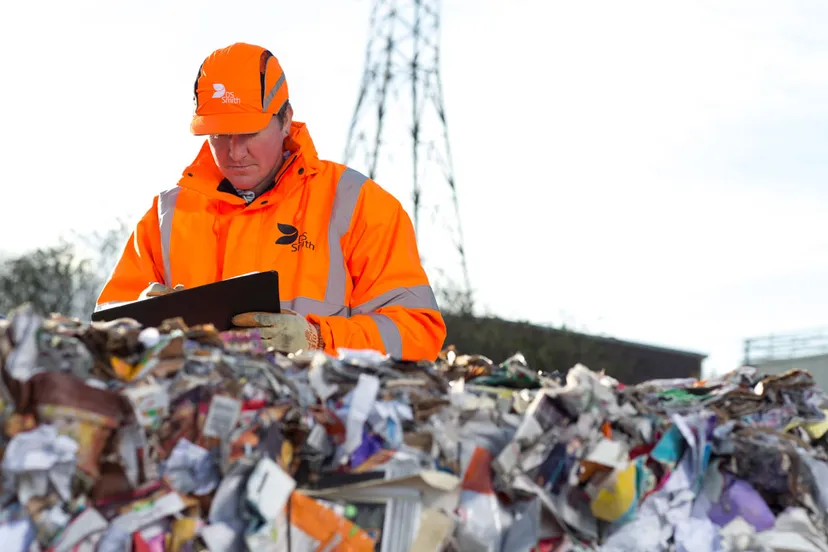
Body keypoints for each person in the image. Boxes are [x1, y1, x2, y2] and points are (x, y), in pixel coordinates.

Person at [96, 42, 446, 361]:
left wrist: (319, 339)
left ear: (286, 119)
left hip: (317, 421)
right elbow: (104, 325)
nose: (234, 152)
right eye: (219, 135)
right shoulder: (166, 215)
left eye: (249, 132)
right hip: (194, 418)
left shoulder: (359, 205)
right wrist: (140, 325)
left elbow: (418, 334)